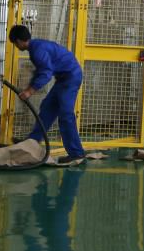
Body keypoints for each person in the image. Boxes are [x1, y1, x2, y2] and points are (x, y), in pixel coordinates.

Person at [8, 24, 86, 165]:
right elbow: (40, 72)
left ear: (18, 41)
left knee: (65, 114)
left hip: (71, 77)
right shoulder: (36, 47)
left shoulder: (37, 50)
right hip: (63, 79)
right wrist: (29, 88)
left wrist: (29, 91)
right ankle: (32, 142)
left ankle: (77, 153)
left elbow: (45, 73)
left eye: (15, 43)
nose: (16, 46)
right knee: (47, 108)